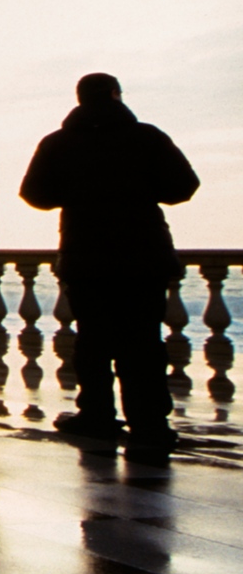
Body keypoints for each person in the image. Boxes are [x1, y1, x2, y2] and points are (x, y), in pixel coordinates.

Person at [20, 72, 198, 455]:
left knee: (94, 341)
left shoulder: (58, 142)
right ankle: (149, 423)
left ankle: (97, 415)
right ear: (117, 96)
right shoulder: (148, 137)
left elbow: (33, 193)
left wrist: (74, 193)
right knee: (144, 342)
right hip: (143, 255)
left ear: (80, 99)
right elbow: (184, 186)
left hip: (87, 255)